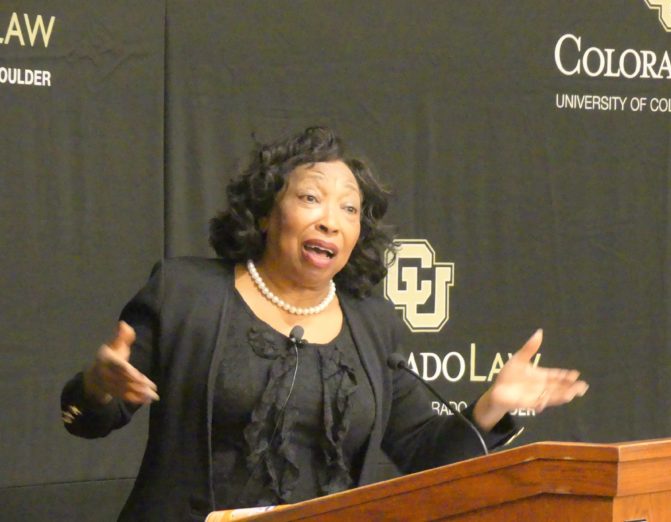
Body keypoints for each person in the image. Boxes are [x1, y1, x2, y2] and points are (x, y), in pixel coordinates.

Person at [61, 126, 588, 522]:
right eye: (310, 197)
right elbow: (87, 418)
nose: (330, 219)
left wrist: (492, 406)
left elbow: (425, 455)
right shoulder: (186, 294)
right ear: (266, 213)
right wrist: (97, 387)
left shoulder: (371, 323)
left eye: (350, 208)